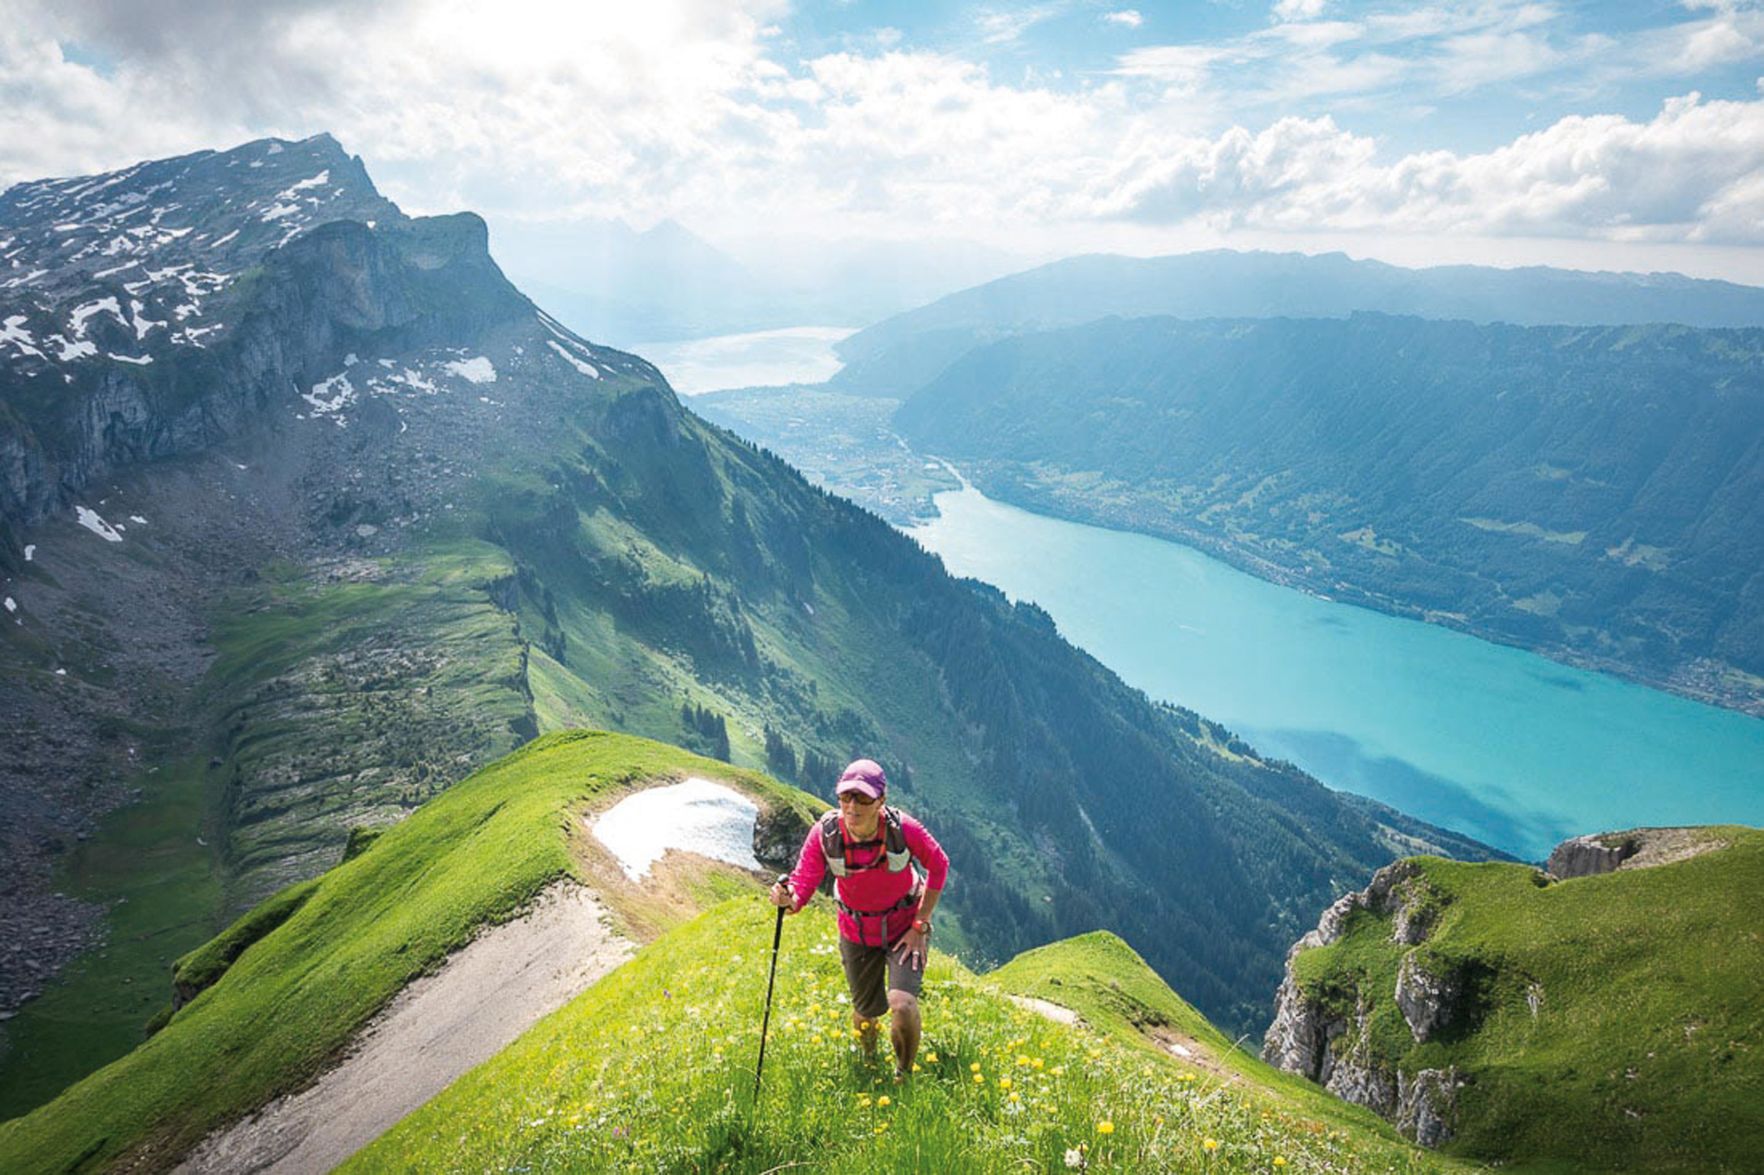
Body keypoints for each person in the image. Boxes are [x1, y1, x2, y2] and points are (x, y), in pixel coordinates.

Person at [770, 758, 949, 1080]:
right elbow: (803, 881)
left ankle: (903, 1074)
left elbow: (939, 864)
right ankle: (869, 1063)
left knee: (902, 1004)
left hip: (904, 927)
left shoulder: (903, 830)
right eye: (845, 797)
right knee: (866, 1013)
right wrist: (789, 899)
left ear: (881, 800)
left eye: (863, 798)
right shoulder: (825, 834)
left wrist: (920, 923)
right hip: (856, 932)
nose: (852, 806)